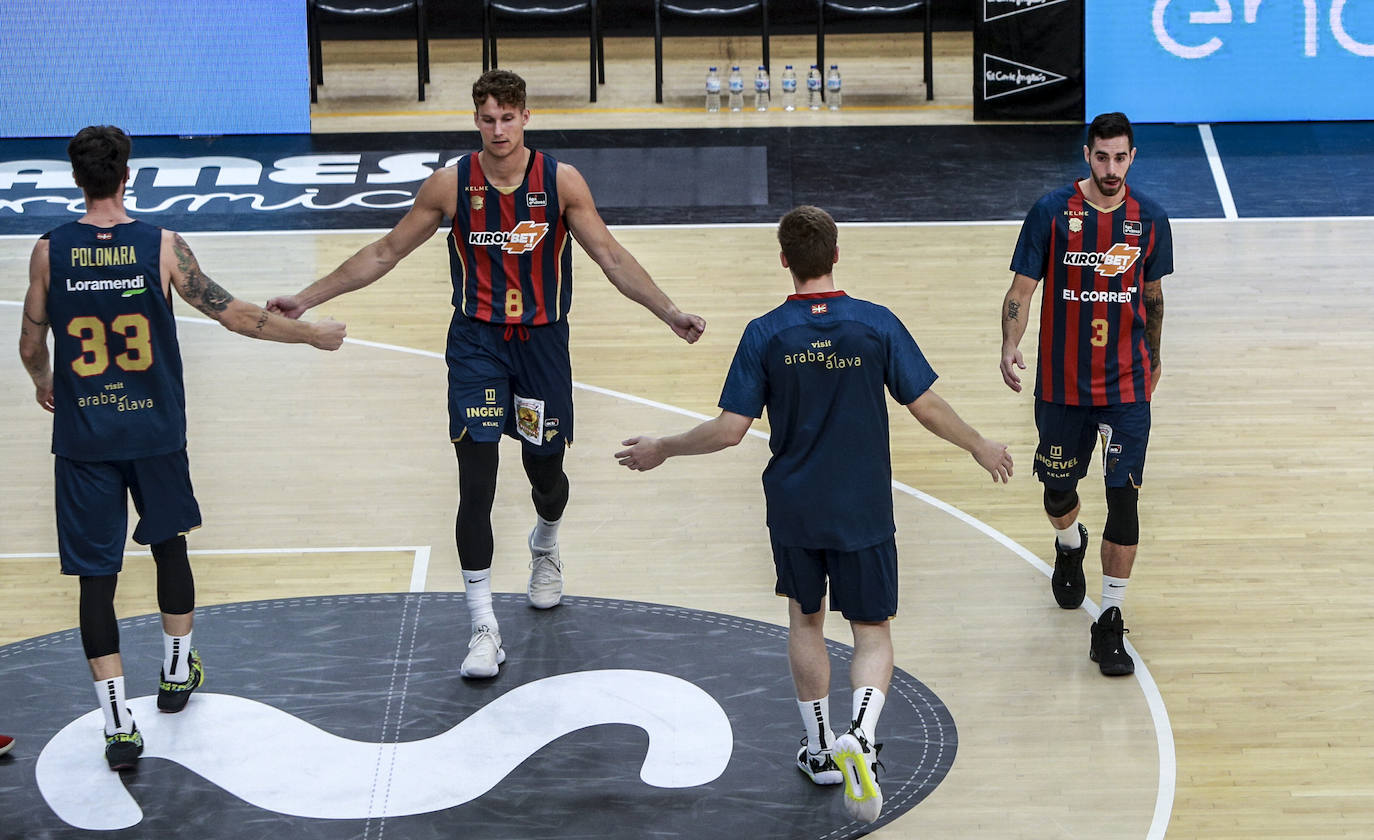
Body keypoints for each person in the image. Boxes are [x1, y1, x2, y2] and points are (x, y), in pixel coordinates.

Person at [268, 69, 704, 680]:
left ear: (526, 117)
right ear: (475, 120)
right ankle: (482, 626)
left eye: (508, 117)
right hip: (476, 343)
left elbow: (610, 255)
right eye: (487, 118)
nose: (498, 130)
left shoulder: (561, 181)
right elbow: (384, 252)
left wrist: (669, 312)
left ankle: (545, 543)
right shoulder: (450, 186)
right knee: (477, 475)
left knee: (544, 471)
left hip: (542, 347)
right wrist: (306, 299)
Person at [616, 205, 1012, 823]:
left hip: (796, 508)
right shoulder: (875, 325)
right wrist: (980, 445)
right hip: (863, 507)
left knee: (806, 621)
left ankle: (821, 748)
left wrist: (663, 448)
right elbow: (925, 404)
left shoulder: (765, 334)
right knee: (871, 630)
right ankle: (862, 730)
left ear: (784, 261)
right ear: (835, 255)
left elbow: (728, 431)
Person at [17, 125, 347, 771]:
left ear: (77, 178)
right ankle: (175, 673)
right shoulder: (163, 246)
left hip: (86, 436)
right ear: (127, 173)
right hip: (155, 429)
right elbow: (232, 313)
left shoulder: (49, 252)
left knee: (96, 580)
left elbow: (32, 344)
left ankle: (117, 725)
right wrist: (309, 334)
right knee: (170, 546)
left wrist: (43, 381)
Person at [1000, 111, 1172, 677]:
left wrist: (1155, 357)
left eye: (1121, 157)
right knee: (1056, 491)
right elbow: (1021, 290)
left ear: (1132, 157)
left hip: (1125, 384)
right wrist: (1009, 344)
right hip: (1063, 384)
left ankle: (1111, 620)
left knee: (1125, 496)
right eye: (1102, 157)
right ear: (1086, 155)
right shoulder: (1052, 213)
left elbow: (1151, 300)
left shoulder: (1149, 219)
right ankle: (1070, 544)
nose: (1112, 168)